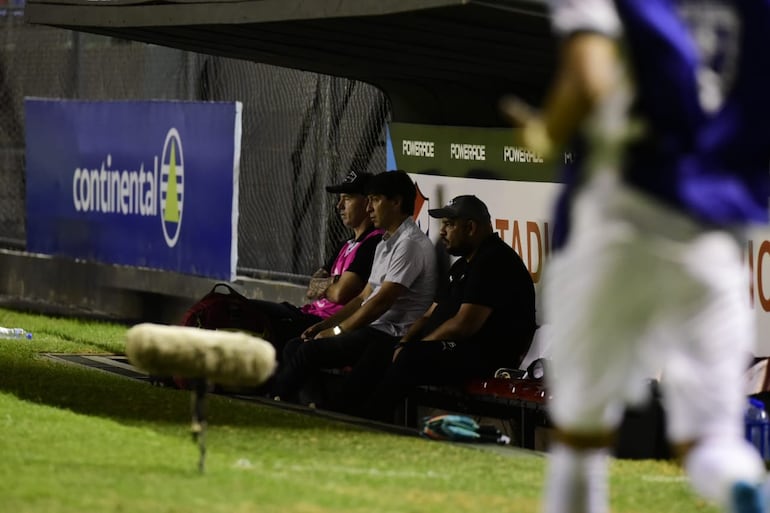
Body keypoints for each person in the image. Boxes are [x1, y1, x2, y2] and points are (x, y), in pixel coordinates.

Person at [503, 1, 770, 512]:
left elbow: (591, 70)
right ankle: (744, 487)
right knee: (713, 442)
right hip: (711, 233)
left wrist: (549, 132)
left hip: (620, 218)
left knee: (581, 439)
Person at [361, 194, 537, 422]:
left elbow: (464, 325)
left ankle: (370, 422)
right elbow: (430, 313)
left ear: (471, 227)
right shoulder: (464, 264)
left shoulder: (494, 260)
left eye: (450, 224)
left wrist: (418, 347)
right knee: (380, 348)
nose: (442, 231)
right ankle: (347, 414)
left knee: (410, 358)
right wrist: (405, 341)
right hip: (455, 348)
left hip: (486, 355)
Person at [271, 170, 438, 408]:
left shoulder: (410, 244)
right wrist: (324, 325)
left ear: (396, 202)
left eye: (375, 200)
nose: (368, 208)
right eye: (367, 200)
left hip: (390, 335)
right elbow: (363, 296)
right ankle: (312, 407)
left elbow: (381, 302)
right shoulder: (386, 243)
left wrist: (337, 331)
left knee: (310, 352)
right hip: (372, 330)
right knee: (295, 345)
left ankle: (275, 402)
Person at [188, 170, 382, 361]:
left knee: (254, 321)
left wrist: (330, 285)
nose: (339, 205)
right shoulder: (346, 244)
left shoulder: (373, 243)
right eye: (339, 198)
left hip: (323, 322)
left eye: (347, 198)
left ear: (367, 203)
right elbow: (312, 288)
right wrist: (335, 282)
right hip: (305, 312)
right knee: (239, 306)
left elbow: (341, 294)